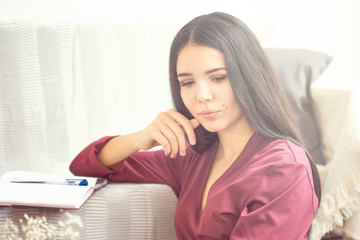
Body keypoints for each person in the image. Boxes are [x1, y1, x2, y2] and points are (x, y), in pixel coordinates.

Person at [70, 12, 321, 239]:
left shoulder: (285, 168)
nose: (202, 95)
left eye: (218, 78)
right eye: (187, 83)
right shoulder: (191, 157)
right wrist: (141, 137)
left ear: (249, 76)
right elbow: (84, 166)